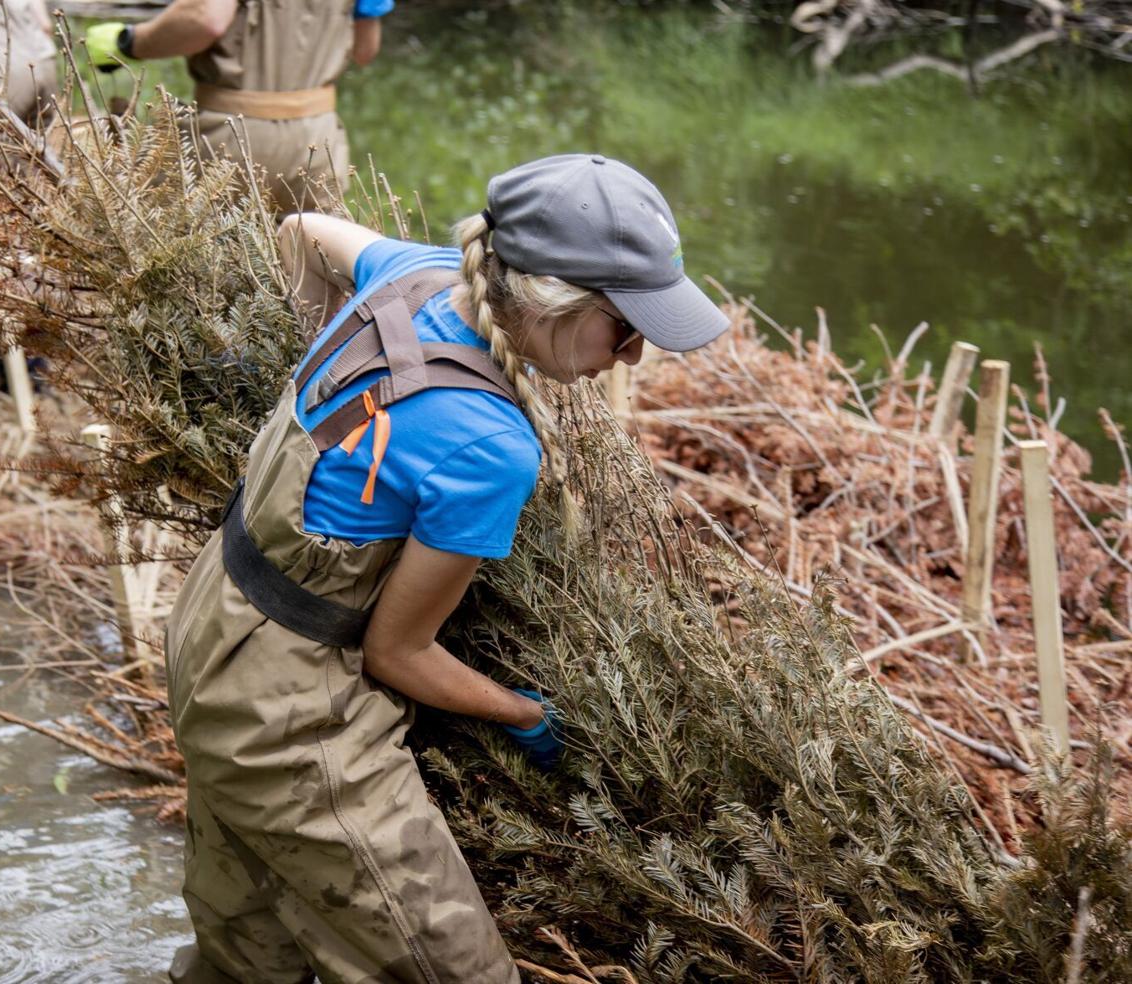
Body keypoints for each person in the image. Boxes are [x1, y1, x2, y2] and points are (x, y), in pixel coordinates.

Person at [163, 154, 731, 982]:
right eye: (626, 326)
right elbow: (399, 653)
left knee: (245, 955)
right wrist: (521, 714)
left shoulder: (418, 273)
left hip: (210, 621)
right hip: (287, 721)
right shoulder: (490, 447)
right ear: (554, 301)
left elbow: (301, 233)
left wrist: (315, 370)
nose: (635, 356)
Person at [86, 0, 393, 216]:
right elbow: (365, 50)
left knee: (191, 275)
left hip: (231, 136)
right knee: (313, 275)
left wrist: (129, 41)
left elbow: (206, 19)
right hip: (319, 141)